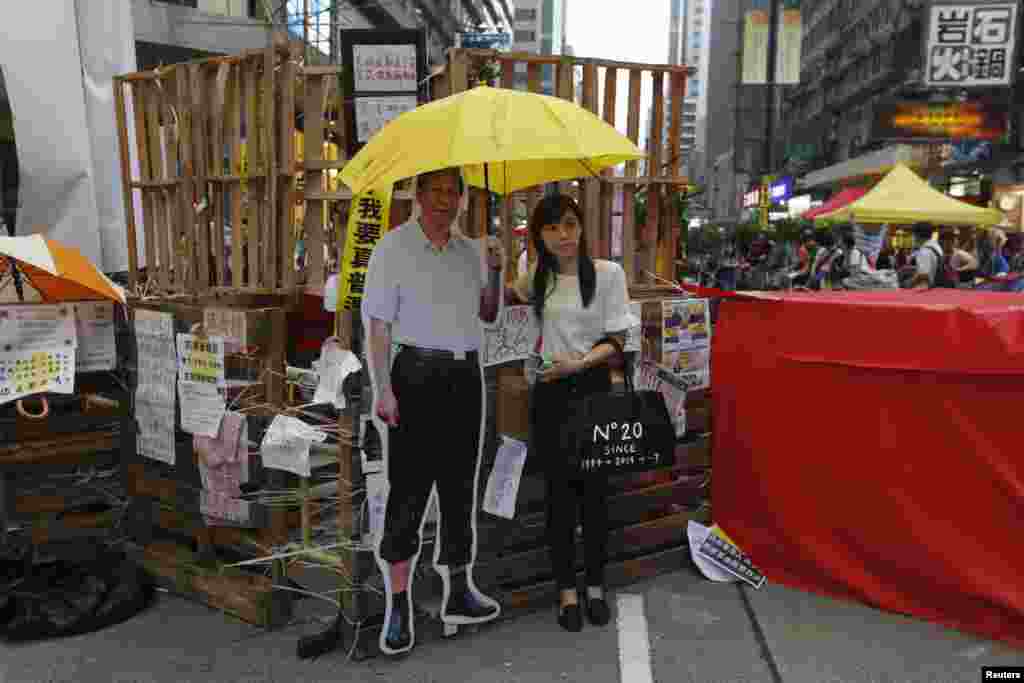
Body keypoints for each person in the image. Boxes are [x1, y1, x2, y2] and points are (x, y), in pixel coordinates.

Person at [362, 167, 504, 655]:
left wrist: (498, 269)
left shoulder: (471, 252)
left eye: (453, 192)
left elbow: (488, 314)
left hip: (465, 376)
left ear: (462, 199)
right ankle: (397, 604)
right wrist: (383, 389)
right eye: (436, 191)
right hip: (414, 375)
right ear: (418, 195)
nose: (445, 200)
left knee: (459, 486)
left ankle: (459, 589)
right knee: (409, 489)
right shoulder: (392, 248)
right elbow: (378, 327)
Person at [510, 194, 636, 633]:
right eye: (551, 228)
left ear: (580, 227)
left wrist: (580, 363)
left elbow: (619, 337)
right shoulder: (536, 279)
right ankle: (567, 591)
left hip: (592, 388)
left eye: (569, 224)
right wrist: (497, 260)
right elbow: (510, 296)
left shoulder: (607, 274)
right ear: (539, 237)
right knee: (559, 500)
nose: (563, 235)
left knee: (596, 496)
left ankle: (596, 586)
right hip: (549, 395)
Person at [907, 222, 942, 289]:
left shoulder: (924, 251)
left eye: (913, 234)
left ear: (917, 235)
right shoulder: (936, 246)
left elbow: (923, 274)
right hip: (937, 287)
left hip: (926, 288)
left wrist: (909, 282)